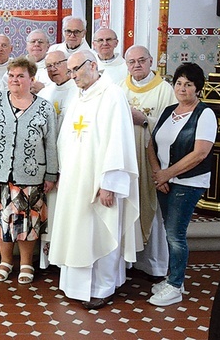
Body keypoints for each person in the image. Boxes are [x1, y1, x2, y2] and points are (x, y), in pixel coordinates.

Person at [49, 50, 140, 310]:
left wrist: (109, 184)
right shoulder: (79, 96)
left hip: (99, 183)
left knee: (101, 230)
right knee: (78, 232)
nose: (72, 75)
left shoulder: (111, 95)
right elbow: (68, 138)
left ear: (92, 65)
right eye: (70, 71)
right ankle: (75, 286)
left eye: (76, 69)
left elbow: (118, 142)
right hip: (75, 181)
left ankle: (103, 288)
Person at [0, 57, 58, 284]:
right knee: (2, 221)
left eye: (20, 76)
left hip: (30, 176)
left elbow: (50, 143)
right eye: (11, 76)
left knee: (27, 223)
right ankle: (5, 261)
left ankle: (27, 263)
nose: (15, 80)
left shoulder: (44, 107)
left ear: (32, 79)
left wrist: (50, 174)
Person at [147, 62, 216, 306]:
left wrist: (168, 174)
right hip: (165, 181)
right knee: (169, 231)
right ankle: (173, 278)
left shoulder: (204, 114)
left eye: (188, 84)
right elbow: (151, 145)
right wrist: (158, 174)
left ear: (198, 88)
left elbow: (200, 153)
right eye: (178, 83)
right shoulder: (168, 111)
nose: (182, 88)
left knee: (176, 235)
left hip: (188, 183)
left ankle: (175, 286)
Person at [120, 45, 176, 280]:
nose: (136, 65)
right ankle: (131, 262)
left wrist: (145, 119)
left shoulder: (165, 90)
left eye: (141, 60)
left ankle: (155, 265)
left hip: (154, 161)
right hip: (127, 159)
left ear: (151, 61)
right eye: (132, 62)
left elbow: (173, 125)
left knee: (154, 212)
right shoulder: (121, 88)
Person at [36, 50, 79, 269]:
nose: (52, 69)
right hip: (50, 161)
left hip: (72, 161)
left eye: (57, 64)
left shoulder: (79, 91)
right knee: (50, 210)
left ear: (68, 65)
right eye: (48, 66)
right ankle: (49, 258)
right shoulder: (45, 93)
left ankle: (68, 258)